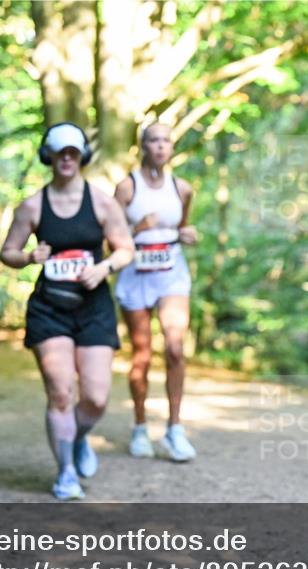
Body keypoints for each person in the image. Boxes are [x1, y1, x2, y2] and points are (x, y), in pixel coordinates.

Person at [0, 122, 134, 500]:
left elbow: (125, 248)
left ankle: (77, 438)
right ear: (50, 157)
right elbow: (6, 252)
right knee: (61, 392)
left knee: (96, 397)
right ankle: (66, 473)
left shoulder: (103, 203)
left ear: (82, 158)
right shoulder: (32, 206)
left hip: (93, 308)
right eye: (61, 153)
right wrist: (28, 256)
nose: (67, 158)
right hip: (49, 309)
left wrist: (104, 267)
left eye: (73, 152)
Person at [113, 122, 198, 462]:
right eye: (154, 140)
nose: (161, 146)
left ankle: (175, 429)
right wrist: (138, 227)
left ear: (172, 148)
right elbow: (111, 240)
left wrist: (187, 234)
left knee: (175, 348)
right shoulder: (126, 188)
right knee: (142, 354)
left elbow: (182, 229)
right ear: (142, 146)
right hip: (136, 276)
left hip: (171, 275)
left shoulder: (183, 189)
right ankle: (139, 426)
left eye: (166, 140)